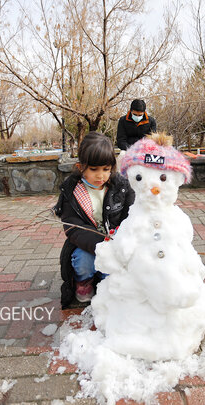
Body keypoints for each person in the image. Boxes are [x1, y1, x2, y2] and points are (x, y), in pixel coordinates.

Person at [53, 132, 135, 308]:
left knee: (114, 271)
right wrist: (101, 243)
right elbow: (73, 228)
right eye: (94, 169)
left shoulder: (121, 187)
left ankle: (108, 282)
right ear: (81, 166)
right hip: (86, 244)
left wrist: (120, 239)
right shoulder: (71, 191)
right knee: (84, 261)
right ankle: (84, 282)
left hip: (116, 242)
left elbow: (132, 215)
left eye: (106, 169)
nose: (101, 176)